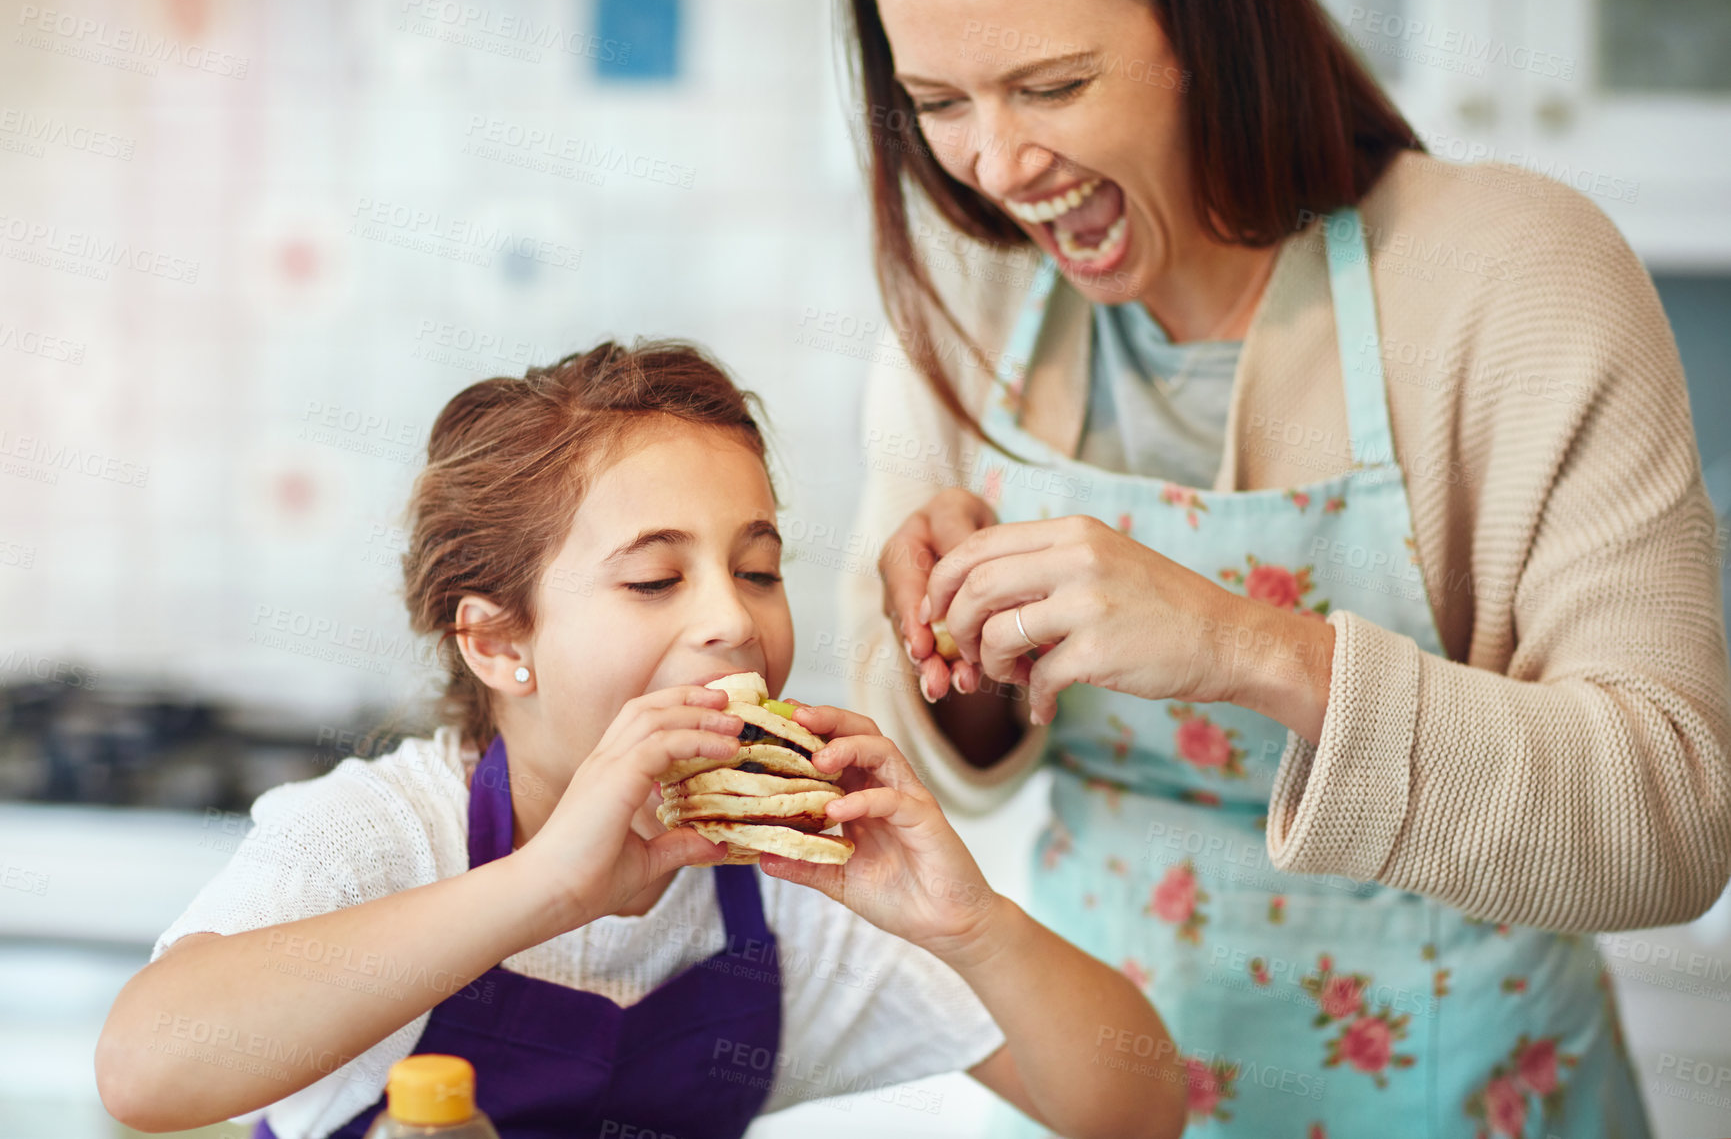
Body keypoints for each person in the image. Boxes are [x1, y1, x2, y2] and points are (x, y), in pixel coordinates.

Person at [836, 0, 1731, 1134]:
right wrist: (954, 654)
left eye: (1053, 86)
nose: (998, 166)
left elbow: (1674, 822)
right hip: (1102, 1083)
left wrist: (1242, 644)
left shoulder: (1515, 272)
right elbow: (905, 727)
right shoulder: (971, 287)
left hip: (1461, 1086)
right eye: (937, 103)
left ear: (1216, 27)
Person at [94, 341, 1186, 1139]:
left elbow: (1135, 1110)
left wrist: (971, 924)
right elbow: (145, 1070)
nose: (731, 617)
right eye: (655, 577)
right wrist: (548, 885)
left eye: (758, 568)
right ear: (497, 641)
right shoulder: (383, 833)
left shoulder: (794, 882)